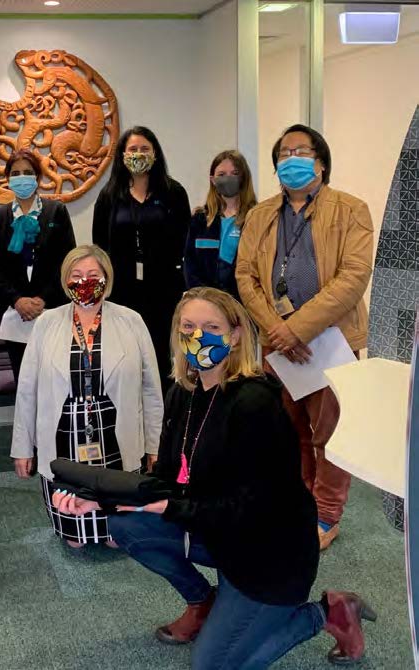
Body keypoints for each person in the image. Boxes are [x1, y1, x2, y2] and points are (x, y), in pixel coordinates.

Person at [53, 287, 376, 668]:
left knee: (213, 666)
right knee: (125, 524)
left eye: (210, 326)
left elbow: (252, 508)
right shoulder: (183, 393)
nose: (197, 336)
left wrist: (173, 506)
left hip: (270, 555)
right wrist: (101, 500)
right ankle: (203, 604)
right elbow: (167, 479)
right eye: (188, 326)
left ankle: (329, 612)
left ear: (235, 335)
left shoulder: (255, 403)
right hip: (220, 532)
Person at [236, 124, 374, 551]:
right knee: (287, 429)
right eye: (284, 152)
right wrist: (278, 331)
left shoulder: (351, 209)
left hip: (330, 340)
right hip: (277, 345)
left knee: (329, 432)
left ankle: (327, 514)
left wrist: (298, 327)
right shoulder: (261, 214)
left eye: (301, 150)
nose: (291, 157)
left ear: (321, 160)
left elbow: (353, 277)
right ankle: (300, 503)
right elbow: (245, 275)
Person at [12, 245, 163, 548]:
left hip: (114, 427)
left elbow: (151, 389)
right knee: (74, 538)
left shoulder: (131, 320)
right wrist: (22, 446)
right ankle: (75, 528)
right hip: (64, 429)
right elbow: (27, 390)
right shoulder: (46, 323)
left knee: (116, 533)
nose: (85, 282)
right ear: (64, 280)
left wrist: (154, 444)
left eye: (93, 275)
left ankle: (113, 529)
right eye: (76, 275)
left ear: (108, 278)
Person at [92, 126, 191, 392]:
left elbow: (184, 242)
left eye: (144, 149)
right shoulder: (109, 196)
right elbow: (99, 247)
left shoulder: (173, 192)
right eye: (132, 149)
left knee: (162, 357)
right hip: (122, 291)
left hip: (164, 290)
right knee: (127, 356)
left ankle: (165, 419)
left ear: (156, 154)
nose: (138, 154)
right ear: (122, 155)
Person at [0, 148, 76, 381]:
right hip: (14, 313)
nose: (21, 177)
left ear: (38, 178)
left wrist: (43, 298)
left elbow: (67, 263)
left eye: (27, 172)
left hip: (52, 306)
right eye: (15, 173)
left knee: (56, 375)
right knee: (23, 377)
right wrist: (17, 300)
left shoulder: (57, 212)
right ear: (7, 178)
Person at [183, 150, 257, 299]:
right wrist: (207, 299)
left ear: (244, 177)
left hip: (243, 303)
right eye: (221, 175)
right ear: (213, 180)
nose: (228, 178)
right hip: (204, 302)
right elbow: (190, 265)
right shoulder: (200, 219)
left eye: (234, 173)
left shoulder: (256, 217)